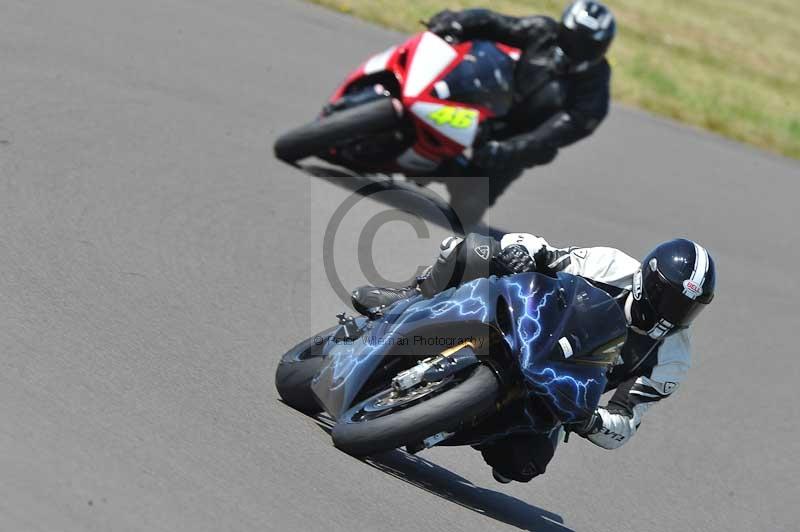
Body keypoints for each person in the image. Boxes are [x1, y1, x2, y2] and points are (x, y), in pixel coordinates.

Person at [351, 232, 716, 482]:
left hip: (557, 391)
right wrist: (520, 252)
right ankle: (412, 297)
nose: (673, 314)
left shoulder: (672, 357)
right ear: (646, 280)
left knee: (522, 465)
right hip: (527, 323)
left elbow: (626, 422)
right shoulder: (612, 266)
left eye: (687, 309)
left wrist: (590, 422)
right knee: (474, 249)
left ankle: (444, 419)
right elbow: (544, 251)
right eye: (669, 298)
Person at [424, 1, 616, 225]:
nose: (577, 47)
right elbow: (495, 23)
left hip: (518, 138)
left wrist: (509, 149)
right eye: (573, 38)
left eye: (586, 44)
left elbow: (552, 134)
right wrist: (455, 22)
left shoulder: (594, 89)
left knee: (465, 212)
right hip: (488, 103)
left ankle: (463, 172)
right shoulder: (543, 31)